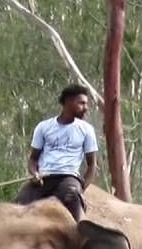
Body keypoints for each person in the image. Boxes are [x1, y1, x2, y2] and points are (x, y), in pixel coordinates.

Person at [15, 84, 100, 221]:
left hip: (68, 178)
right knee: (20, 203)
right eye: (82, 103)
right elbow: (33, 160)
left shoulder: (87, 130)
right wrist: (34, 174)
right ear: (68, 102)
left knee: (72, 198)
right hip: (44, 179)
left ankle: (83, 235)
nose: (86, 108)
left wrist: (82, 188)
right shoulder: (43, 127)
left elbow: (92, 165)